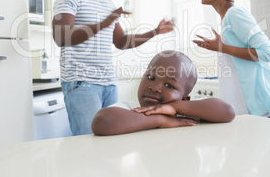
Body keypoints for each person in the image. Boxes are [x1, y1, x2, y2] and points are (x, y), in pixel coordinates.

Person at [52, 0, 174, 135]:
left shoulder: (107, 3)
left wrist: (156, 31)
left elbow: (122, 41)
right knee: (88, 141)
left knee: (113, 139)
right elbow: (61, 37)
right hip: (82, 82)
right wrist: (105, 23)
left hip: (108, 82)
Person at [192, 0, 270, 117]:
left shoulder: (235, 14)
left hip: (260, 107)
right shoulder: (226, 18)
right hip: (249, 107)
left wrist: (222, 48)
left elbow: (268, 53)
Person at [91, 50, 236, 136]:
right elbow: (103, 121)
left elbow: (228, 111)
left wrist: (176, 108)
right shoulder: (130, 110)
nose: (154, 87)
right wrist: (161, 120)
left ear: (184, 99)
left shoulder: (186, 114)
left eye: (168, 85)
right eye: (150, 77)